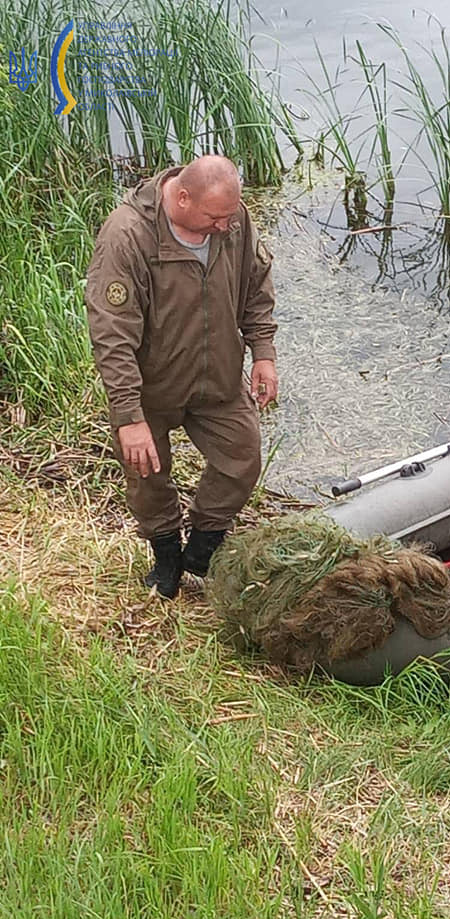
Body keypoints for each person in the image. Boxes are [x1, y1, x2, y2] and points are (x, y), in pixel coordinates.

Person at [86, 155, 278, 599]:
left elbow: (256, 284)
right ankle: (167, 556)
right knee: (147, 475)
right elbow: (111, 335)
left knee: (242, 458)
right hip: (151, 388)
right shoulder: (128, 235)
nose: (224, 227)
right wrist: (128, 416)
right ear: (182, 196)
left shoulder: (232, 219)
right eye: (214, 218)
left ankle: (203, 547)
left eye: (230, 216)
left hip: (219, 378)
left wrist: (263, 352)